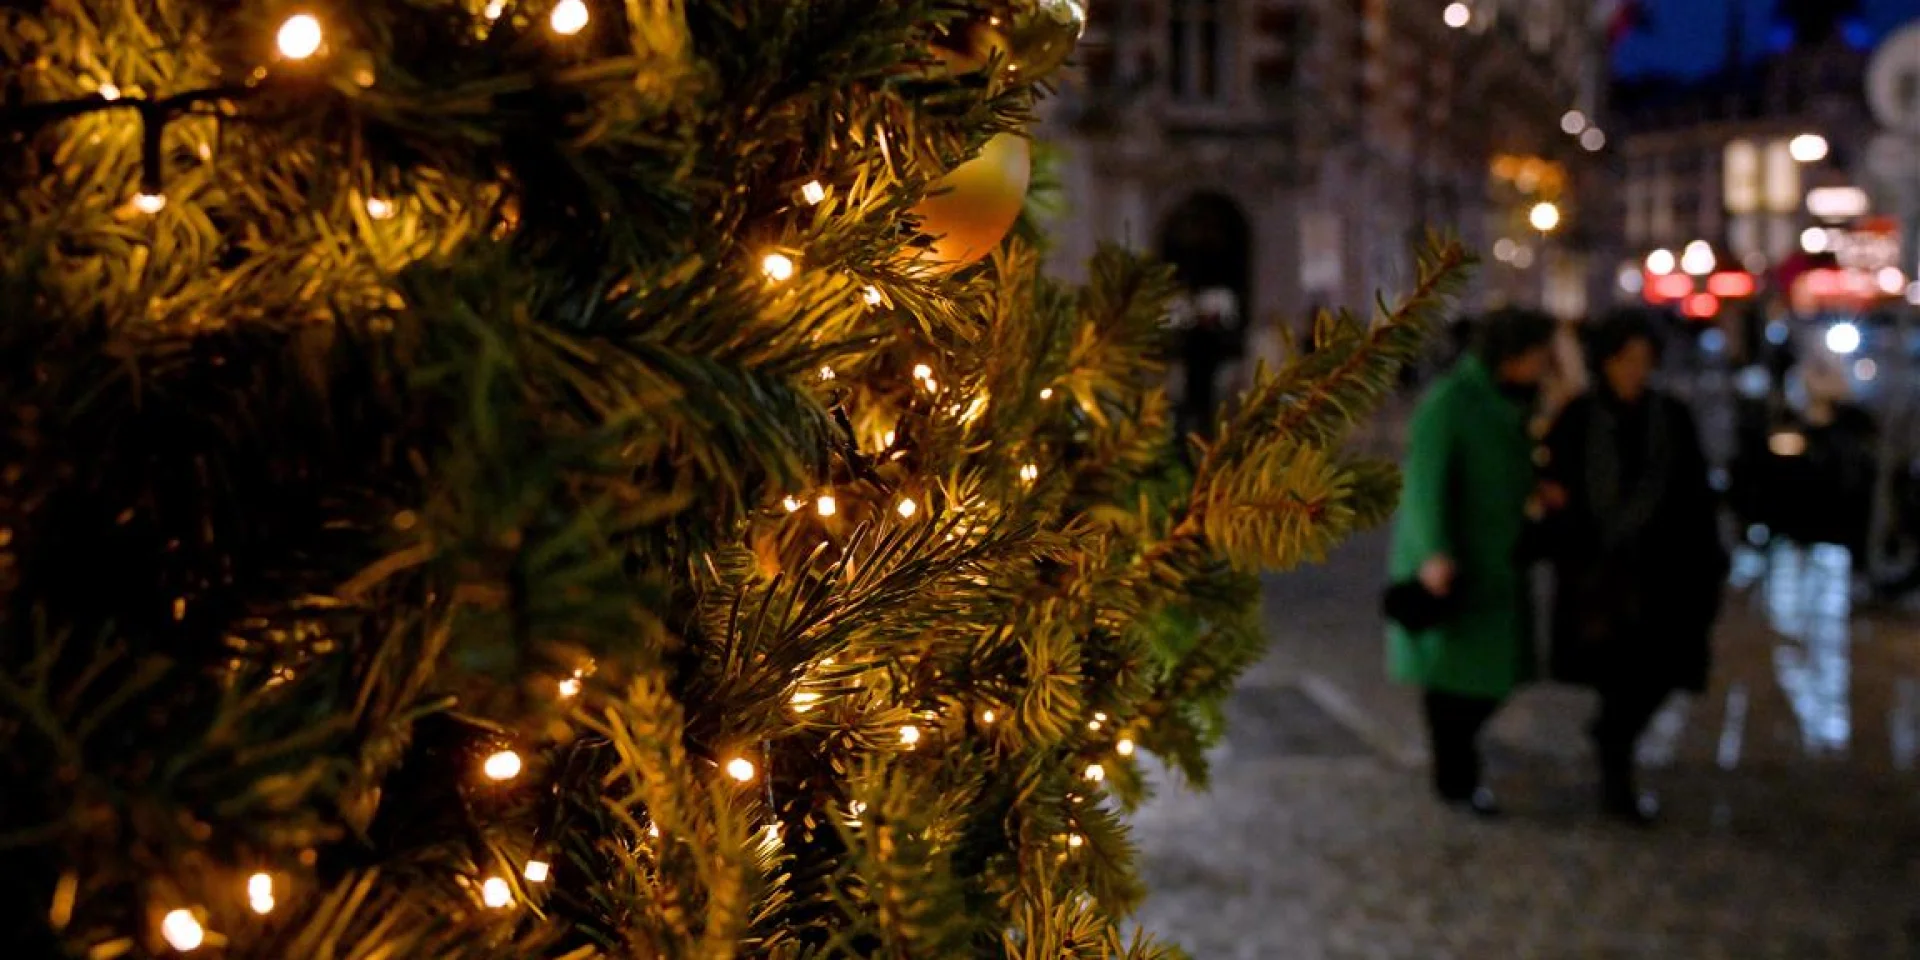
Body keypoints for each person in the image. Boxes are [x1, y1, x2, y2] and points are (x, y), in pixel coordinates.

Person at [1540, 310, 1726, 824]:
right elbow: (1555, 486)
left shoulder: (1670, 416)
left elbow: (1694, 493)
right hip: (1599, 578)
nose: (1634, 370)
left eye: (1644, 360)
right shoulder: (1578, 417)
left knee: (1659, 672)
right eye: (1626, 360)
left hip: (1662, 575)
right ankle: (1616, 782)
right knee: (1617, 676)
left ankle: (1612, 741)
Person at [1387, 308, 1559, 816]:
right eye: (1539, 356)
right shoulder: (1452, 402)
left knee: (1486, 675)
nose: (1545, 366)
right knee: (1455, 681)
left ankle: (1457, 775)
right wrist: (1434, 551)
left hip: (1496, 559)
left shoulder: (1508, 402)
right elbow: (1424, 484)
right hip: (1460, 565)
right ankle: (1455, 780)